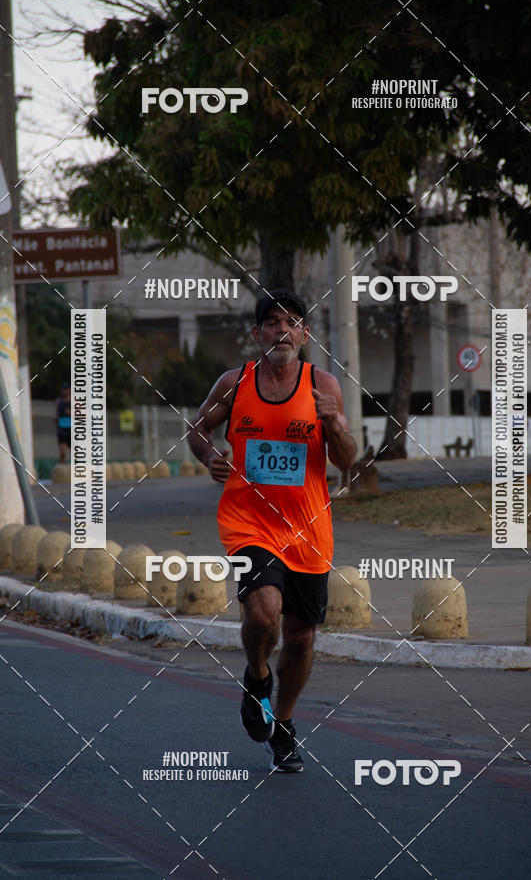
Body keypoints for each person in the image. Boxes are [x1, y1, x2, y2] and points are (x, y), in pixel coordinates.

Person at [189, 289, 356, 772]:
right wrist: (210, 457)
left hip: (308, 528)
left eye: (292, 322)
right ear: (257, 333)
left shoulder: (322, 385)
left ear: (304, 334)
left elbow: (347, 462)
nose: (281, 331)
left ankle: (282, 723)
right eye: (271, 323)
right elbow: (198, 428)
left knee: (301, 637)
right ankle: (258, 677)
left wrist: (337, 426)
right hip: (249, 523)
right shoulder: (235, 382)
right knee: (264, 616)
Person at [55, 382, 71, 464]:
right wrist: (56, 418)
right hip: (61, 428)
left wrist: (70, 413)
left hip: (71, 429)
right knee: (63, 453)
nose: (64, 391)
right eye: (63, 389)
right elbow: (57, 413)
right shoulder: (58, 401)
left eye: (66, 389)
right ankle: (61, 469)